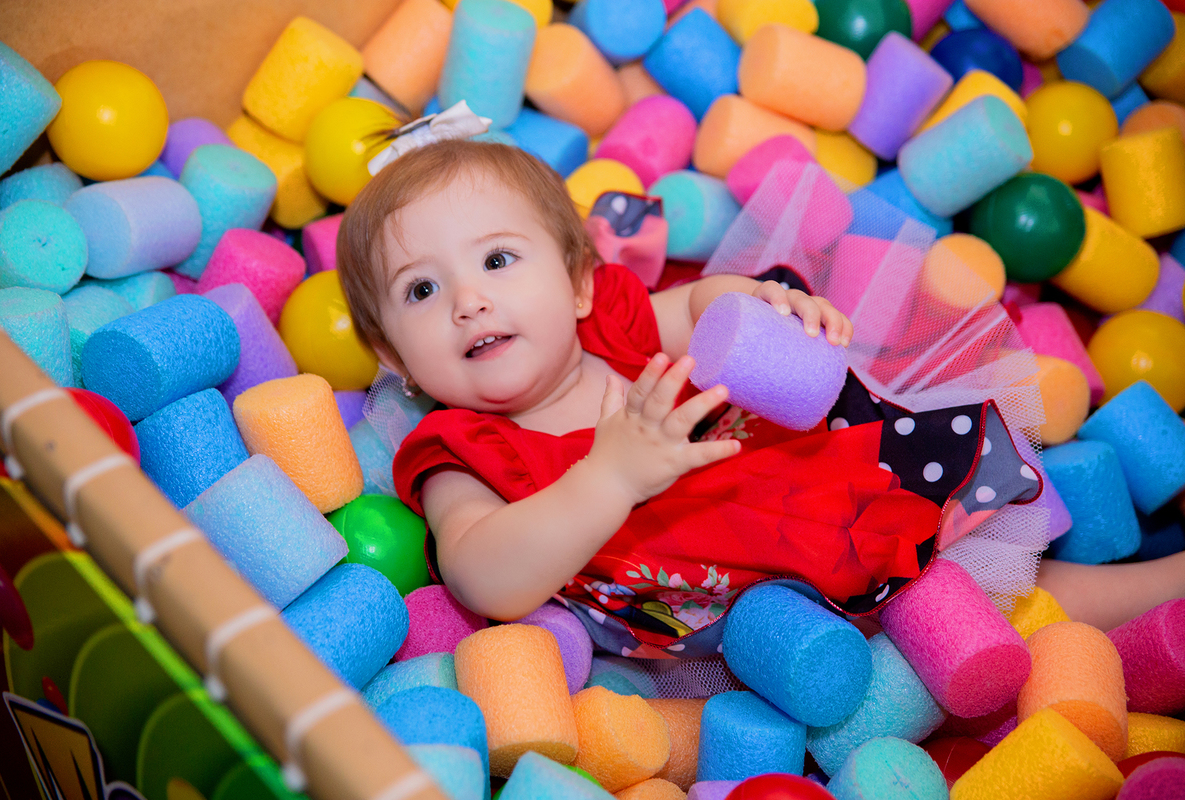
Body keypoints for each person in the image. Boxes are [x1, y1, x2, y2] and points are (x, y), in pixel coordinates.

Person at [337, 139, 1185, 658]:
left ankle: (1148, 587)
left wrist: (752, 304)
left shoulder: (615, 329)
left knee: (958, 569)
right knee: (937, 619)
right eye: (420, 291)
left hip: (811, 488)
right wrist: (609, 478)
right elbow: (482, 574)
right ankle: (1137, 600)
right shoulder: (455, 451)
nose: (468, 302)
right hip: (719, 591)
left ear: (580, 286)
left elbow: (701, 308)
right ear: (391, 357)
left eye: (495, 261)